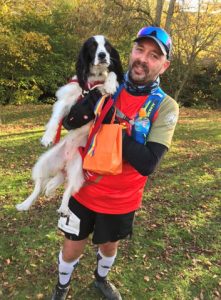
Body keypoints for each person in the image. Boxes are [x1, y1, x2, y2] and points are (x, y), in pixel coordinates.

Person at [51, 26, 179, 300]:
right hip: (83, 189)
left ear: (164, 65)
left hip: (122, 199)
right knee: (71, 247)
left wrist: (112, 128)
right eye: (140, 50)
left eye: (154, 55)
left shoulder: (165, 106)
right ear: (130, 52)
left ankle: (101, 279)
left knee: (109, 247)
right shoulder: (107, 84)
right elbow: (72, 121)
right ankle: (62, 285)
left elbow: (147, 163)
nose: (143, 59)